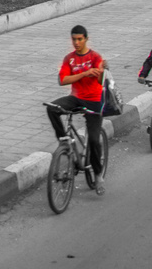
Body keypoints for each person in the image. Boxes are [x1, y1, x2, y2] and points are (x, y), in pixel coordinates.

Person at [46, 24, 108, 195]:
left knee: (94, 141)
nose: (76, 42)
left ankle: (98, 175)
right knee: (52, 108)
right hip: (76, 98)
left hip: (94, 101)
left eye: (80, 39)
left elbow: (102, 79)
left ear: (86, 39)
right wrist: (84, 74)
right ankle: (64, 140)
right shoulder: (69, 59)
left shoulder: (95, 57)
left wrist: (103, 69)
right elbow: (63, 80)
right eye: (74, 39)